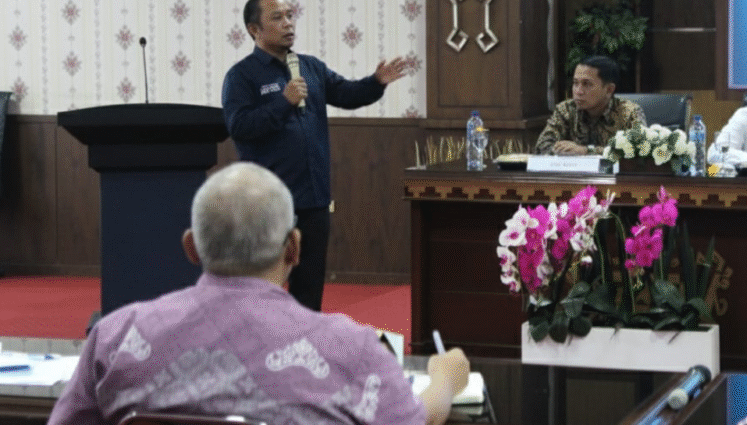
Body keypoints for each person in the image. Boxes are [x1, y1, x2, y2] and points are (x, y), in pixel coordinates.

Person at [48, 162, 469, 425]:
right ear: (294, 248)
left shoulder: (116, 337)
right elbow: (413, 419)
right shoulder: (350, 348)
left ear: (191, 247)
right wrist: (446, 380)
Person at [222, 0, 409, 311]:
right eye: (277, 18)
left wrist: (376, 82)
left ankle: (304, 344)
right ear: (255, 30)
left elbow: (348, 94)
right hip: (269, 200)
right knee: (264, 282)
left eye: (290, 15)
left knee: (309, 284)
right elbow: (239, 127)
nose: (288, 23)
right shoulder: (242, 76)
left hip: (313, 198)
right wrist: (284, 102)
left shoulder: (309, 67)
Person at [535, 55, 646, 155]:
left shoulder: (629, 112)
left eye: (586, 84)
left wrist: (586, 151)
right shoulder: (565, 109)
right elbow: (541, 147)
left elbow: (640, 149)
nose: (578, 91)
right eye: (575, 83)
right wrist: (562, 150)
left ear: (609, 90)